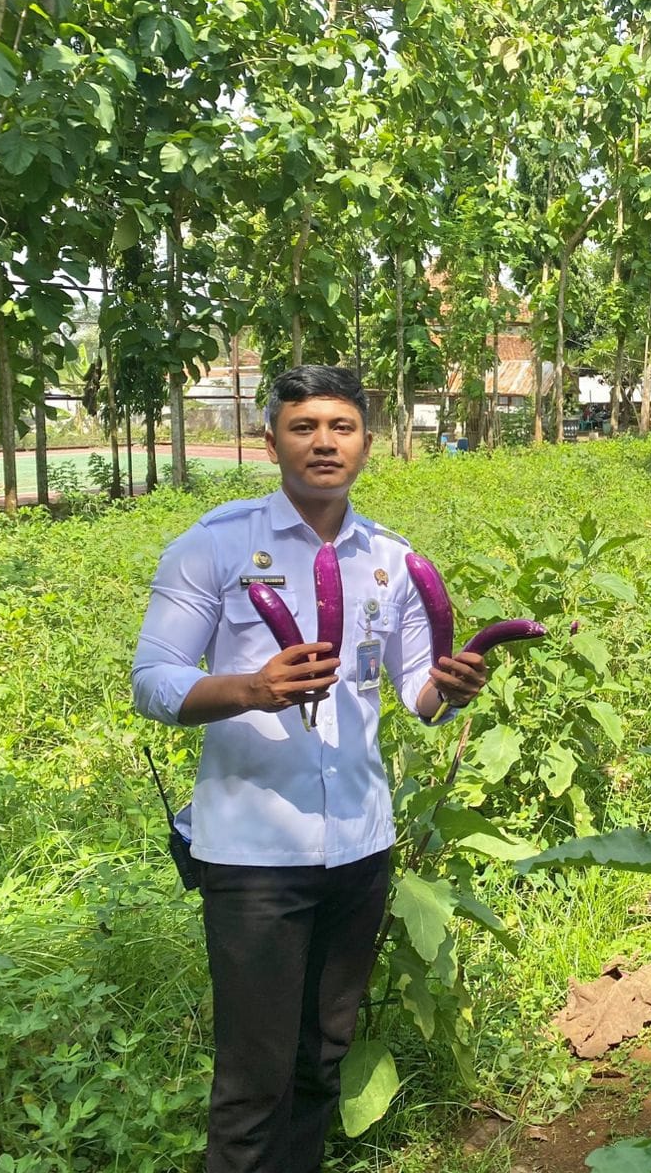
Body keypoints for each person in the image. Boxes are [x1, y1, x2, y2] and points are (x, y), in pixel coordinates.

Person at [131, 365, 488, 1173]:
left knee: (321, 1062)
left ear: (368, 443)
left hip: (359, 844)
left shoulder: (392, 561)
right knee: (254, 1079)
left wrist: (453, 689)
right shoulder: (214, 546)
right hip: (254, 852)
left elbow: (417, 697)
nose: (323, 441)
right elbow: (153, 682)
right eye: (303, 426)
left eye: (341, 426)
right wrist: (252, 688)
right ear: (271, 443)